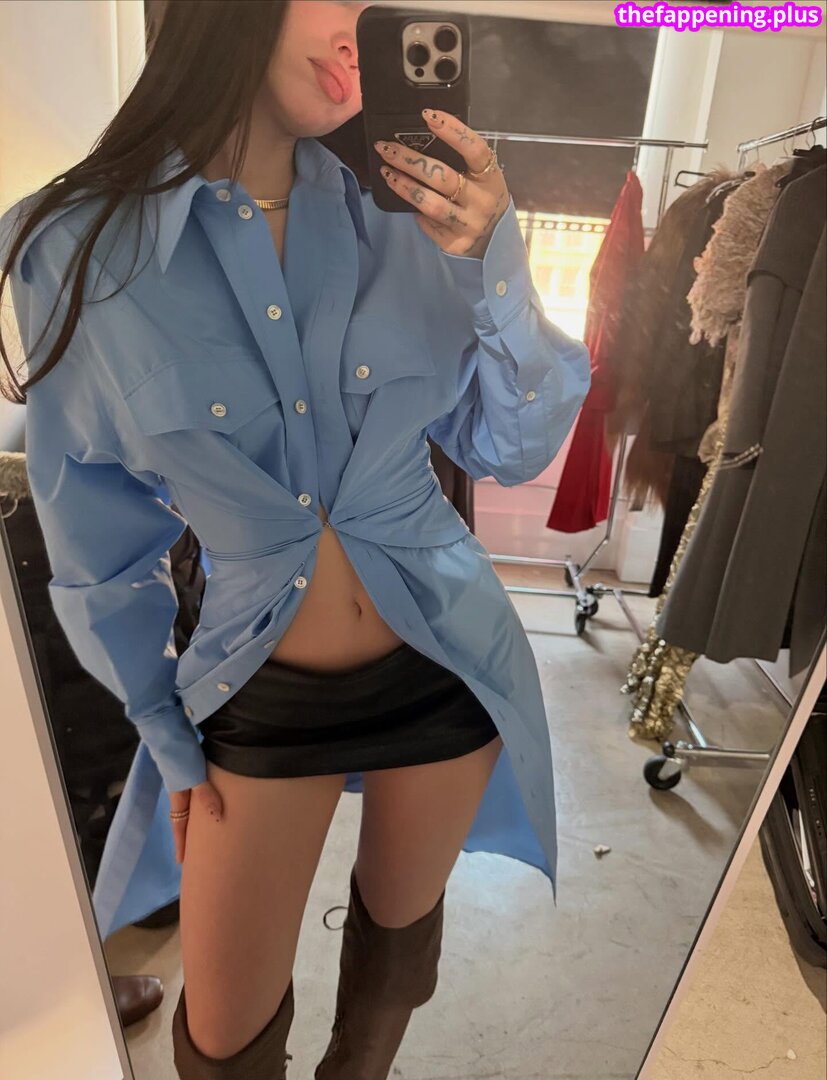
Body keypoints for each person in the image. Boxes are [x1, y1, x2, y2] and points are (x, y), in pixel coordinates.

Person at [0, 2, 590, 1077]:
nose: (361, 27)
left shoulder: (408, 222)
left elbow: (509, 447)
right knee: (224, 1043)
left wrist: (495, 263)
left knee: (394, 968)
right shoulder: (76, 245)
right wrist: (164, 732)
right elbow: (93, 544)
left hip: (449, 657)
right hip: (255, 684)